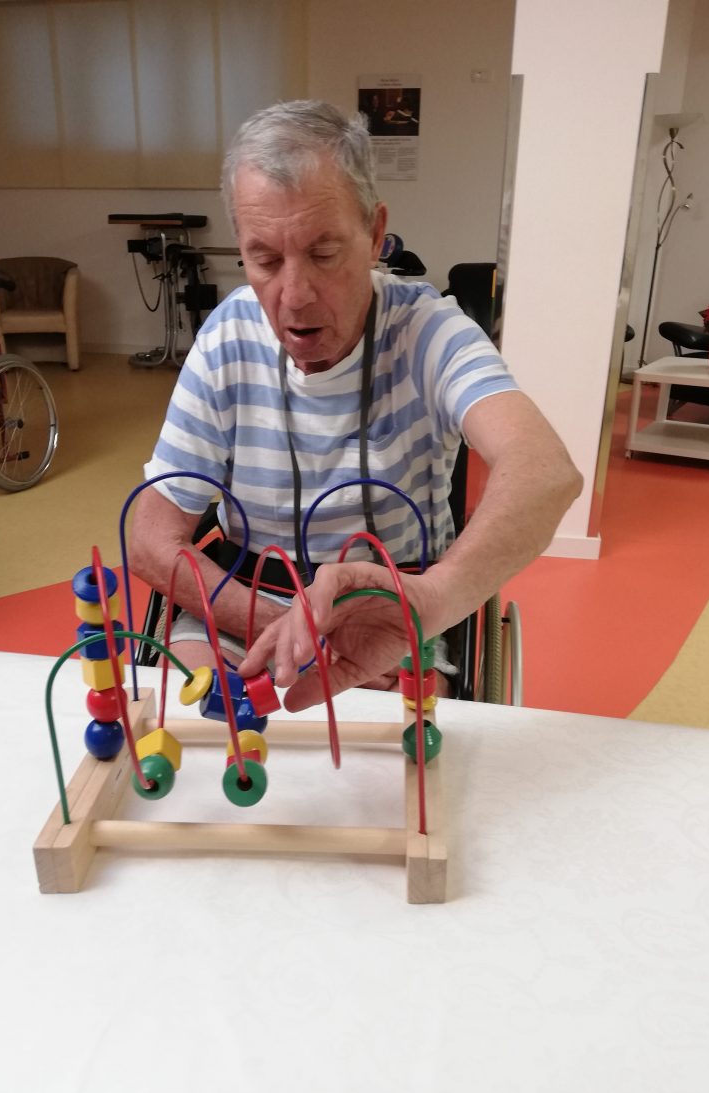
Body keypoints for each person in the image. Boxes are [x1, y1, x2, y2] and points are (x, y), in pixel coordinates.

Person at [129, 100, 582, 710]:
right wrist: (295, 632)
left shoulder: (430, 332)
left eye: (323, 253)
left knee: (400, 745)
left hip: (391, 612)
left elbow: (546, 472)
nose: (294, 296)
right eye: (265, 259)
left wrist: (427, 603)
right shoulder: (225, 337)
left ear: (373, 234)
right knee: (193, 722)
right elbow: (151, 538)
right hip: (241, 607)